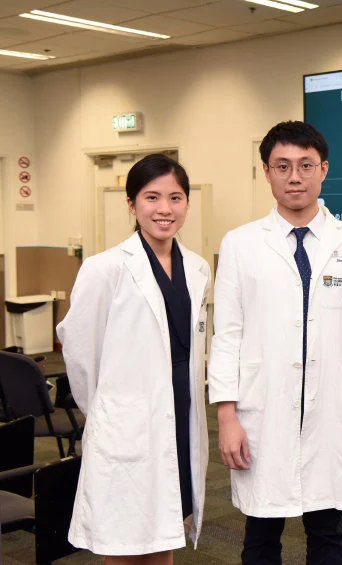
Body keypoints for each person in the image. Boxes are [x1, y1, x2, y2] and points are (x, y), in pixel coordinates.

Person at [208, 120, 342, 565]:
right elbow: (226, 336)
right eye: (282, 166)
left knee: (327, 532)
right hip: (261, 411)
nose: (295, 177)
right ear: (266, 172)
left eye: (306, 165)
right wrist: (227, 416)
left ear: (324, 169)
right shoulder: (241, 244)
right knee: (261, 534)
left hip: (330, 412)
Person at [58, 154, 211, 564]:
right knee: (124, 539)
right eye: (152, 197)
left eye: (176, 198)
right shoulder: (104, 268)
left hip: (180, 414)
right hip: (127, 421)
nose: (165, 209)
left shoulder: (196, 267)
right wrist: (110, 411)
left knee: (166, 530)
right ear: (131, 204)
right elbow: (80, 352)